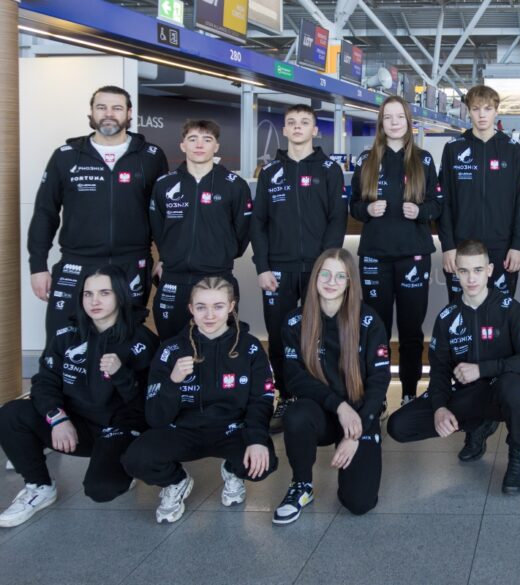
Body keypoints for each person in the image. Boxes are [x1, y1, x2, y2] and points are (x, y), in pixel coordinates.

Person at [0, 266, 158, 527]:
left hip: (119, 428)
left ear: (120, 295)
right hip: (75, 427)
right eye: (88, 294)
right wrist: (58, 418)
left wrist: (121, 374)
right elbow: (44, 382)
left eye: (104, 293)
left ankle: (121, 464)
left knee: (102, 488)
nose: (95, 301)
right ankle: (39, 487)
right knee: (11, 413)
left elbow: (149, 405)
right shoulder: (67, 335)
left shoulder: (142, 340)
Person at [387, 240, 520, 494]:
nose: (471, 278)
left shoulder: (510, 309)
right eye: (464, 271)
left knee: (513, 385)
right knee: (399, 426)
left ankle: (518, 456)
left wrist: (482, 369)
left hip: (500, 392)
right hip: (466, 396)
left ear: (489, 270)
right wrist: (439, 408)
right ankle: (477, 426)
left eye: (478, 270)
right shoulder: (447, 317)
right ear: (455, 272)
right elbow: (439, 371)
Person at [122, 277, 277, 523]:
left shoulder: (250, 347)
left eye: (218, 306)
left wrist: (257, 439)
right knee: (135, 459)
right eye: (201, 307)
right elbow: (155, 416)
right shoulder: (171, 350)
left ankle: (232, 470)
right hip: (183, 431)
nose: (209, 315)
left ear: (231, 307)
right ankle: (177, 481)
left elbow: (261, 399)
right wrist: (173, 382)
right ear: (191, 309)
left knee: (262, 463)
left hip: (231, 429)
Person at [28, 86, 168, 342]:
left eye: (117, 108)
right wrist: (37, 265)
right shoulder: (66, 156)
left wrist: (166, 256)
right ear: (91, 113)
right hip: (77, 262)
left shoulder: (151, 157)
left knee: (125, 343)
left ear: (129, 113)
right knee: (65, 341)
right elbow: (45, 212)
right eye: (101, 107)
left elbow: (163, 213)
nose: (109, 114)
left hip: (131, 263)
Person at [273, 249, 391, 524]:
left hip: (359, 413)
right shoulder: (295, 321)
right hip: (321, 412)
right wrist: (338, 407)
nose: (331, 281)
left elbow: (379, 381)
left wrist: (356, 432)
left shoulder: (369, 320)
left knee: (359, 503)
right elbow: (296, 379)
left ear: (350, 282)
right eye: (325, 274)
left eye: (340, 276)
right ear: (315, 277)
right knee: (296, 414)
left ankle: (351, 469)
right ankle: (301, 485)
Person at [250, 104, 348, 429]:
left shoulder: (329, 169)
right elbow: (258, 223)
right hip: (278, 270)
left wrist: (327, 265)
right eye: (291, 122)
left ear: (314, 130)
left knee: (322, 334)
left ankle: (326, 396)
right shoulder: (269, 172)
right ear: (285, 129)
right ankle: (286, 396)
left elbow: (338, 218)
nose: (297, 127)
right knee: (280, 336)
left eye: (304, 122)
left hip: (318, 271)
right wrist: (262, 267)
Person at [351, 96, 441, 405]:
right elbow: (352, 204)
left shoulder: (423, 160)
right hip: (375, 255)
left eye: (399, 117)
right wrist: (366, 210)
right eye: (388, 117)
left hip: (413, 255)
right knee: (375, 330)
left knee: (411, 331)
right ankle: (377, 398)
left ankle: (409, 395)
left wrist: (421, 212)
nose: (393, 122)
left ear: (408, 121)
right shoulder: (366, 159)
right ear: (381, 122)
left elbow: (437, 204)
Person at [149, 119, 252, 341]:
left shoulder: (234, 185)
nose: (199, 145)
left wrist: (222, 253)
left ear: (216, 146)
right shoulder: (164, 184)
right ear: (182, 145)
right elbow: (158, 228)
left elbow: (242, 231)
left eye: (207, 139)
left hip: (217, 278)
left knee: (220, 345)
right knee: (171, 343)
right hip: (173, 278)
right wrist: (168, 255)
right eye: (192, 139)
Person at [438, 85, 520, 301]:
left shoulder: (512, 149)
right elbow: (444, 201)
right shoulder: (453, 148)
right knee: (462, 309)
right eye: (476, 109)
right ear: (469, 111)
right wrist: (448, 246)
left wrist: (518, 246)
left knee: (501, 310)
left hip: (502, 248)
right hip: (462, 246)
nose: (482, 115)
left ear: (496, 111)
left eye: (487, 109)